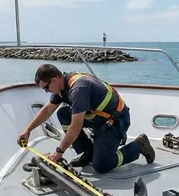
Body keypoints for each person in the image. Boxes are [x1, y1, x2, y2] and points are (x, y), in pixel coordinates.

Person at [18, 64, 155, 174]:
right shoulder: (62, 86)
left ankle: (139, 146)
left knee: (101, 166)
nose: (46, 91)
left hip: (115, 122)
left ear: (54, 79)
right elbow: (47, 110)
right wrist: (27, 130)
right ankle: (89, 151)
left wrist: (59, 152)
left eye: (46, 88)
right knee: (63, 114)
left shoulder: (79, 88)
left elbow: (76, 126)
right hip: (97, 119)